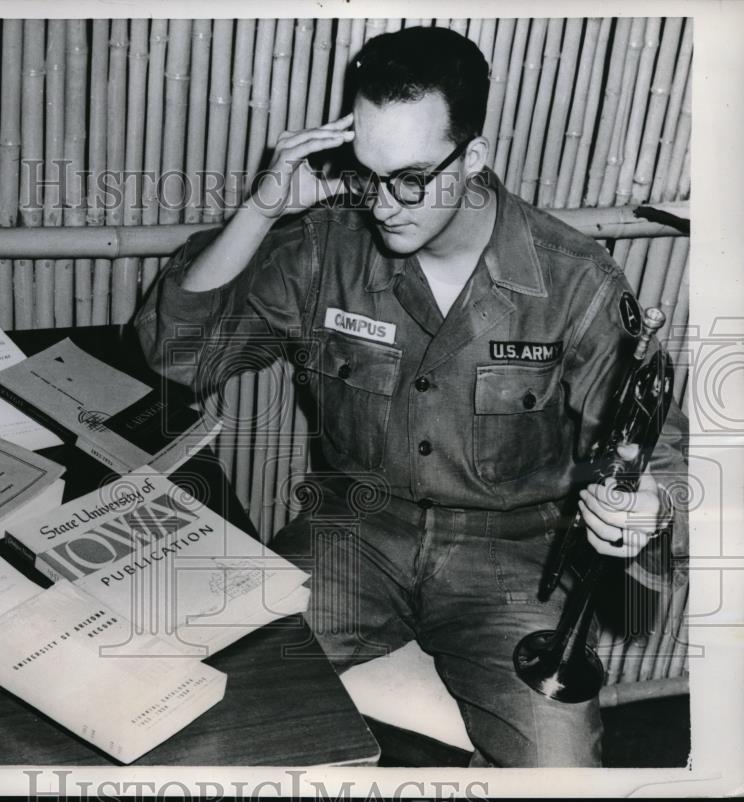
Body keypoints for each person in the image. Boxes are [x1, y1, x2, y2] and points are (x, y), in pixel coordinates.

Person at [134, 25, 688, 767]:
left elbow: (658, 441)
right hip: (353, 532)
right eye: (366, 172)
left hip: (513, 561)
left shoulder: (574, 280)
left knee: (560, 770)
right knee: (186, 696)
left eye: (411, 178)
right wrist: (265, 207)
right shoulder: (328, 246)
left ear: (476, 159)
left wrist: (647, 504)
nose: (383, 204)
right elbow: (179, 356)